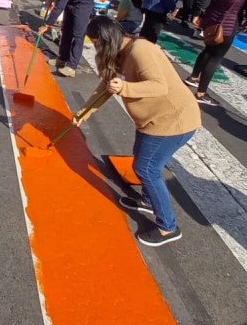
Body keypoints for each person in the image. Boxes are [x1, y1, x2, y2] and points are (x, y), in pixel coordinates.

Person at [74, 17, 201, 247]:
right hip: (151, 121)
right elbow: (105, 87)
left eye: (97, 43)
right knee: (141, 158)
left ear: (108, 38)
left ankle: (168, 227)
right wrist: (83, 113)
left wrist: (125, 87)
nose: (96, 48)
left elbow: (159, 85)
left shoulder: (141, 49)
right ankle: (148, 200)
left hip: (174, 120)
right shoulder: (117, 55)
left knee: (146, 168)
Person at [184, 0, 247, 106]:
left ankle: (193, 77)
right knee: (215, 58)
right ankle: (201, 92)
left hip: (210, 22)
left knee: (207, 51)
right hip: (228, 26)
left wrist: (198, 14)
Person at [37, 0, 94, 77]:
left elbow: (59, 6)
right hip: (71, 2)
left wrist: (47, 25)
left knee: (77, 34)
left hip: (82, 4)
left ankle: (71, 67)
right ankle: (62, 59)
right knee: (66, 31)